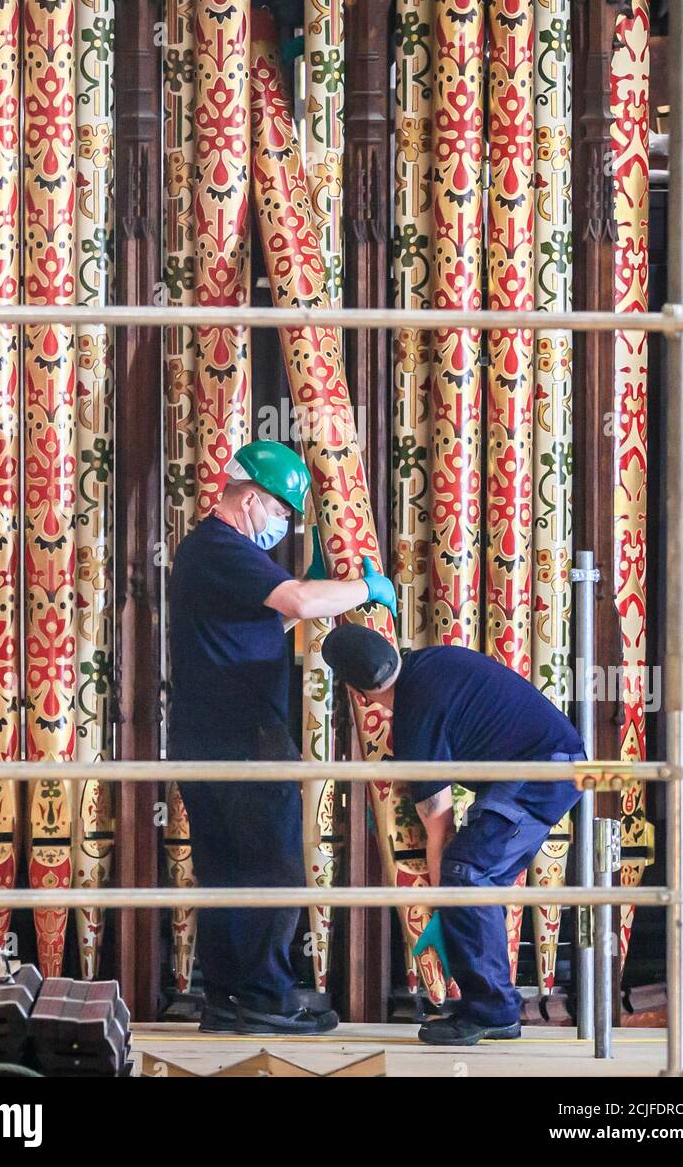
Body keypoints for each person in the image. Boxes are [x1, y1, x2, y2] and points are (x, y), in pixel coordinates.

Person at [169, 440, 397, 1035]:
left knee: (226, 872)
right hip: (245, 735)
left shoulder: (204, 554)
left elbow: (272, 618)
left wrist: (316, 588)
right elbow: (293, 599)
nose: (283, 524)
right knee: (272, 868)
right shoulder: (223, 545)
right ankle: (267, 999)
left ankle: (226, 1000)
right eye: (280, 510)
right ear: (249, 498)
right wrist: (364, 590)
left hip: (202, 737)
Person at [321, 624, 585, 1046]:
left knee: (467, 872)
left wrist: (444, 905)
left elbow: (439, 828)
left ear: (358, 693)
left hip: (544, 772)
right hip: (544, 765)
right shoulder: (433, 659)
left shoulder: (415, 722)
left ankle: (492, 1011)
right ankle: (490, 1002)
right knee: (479, 878)